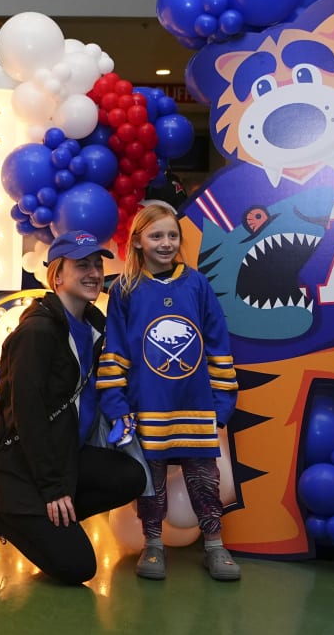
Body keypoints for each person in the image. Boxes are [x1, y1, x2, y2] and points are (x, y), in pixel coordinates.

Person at [0, 231, 150, 585]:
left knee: (131, 476)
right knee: (78, 567)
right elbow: (28, 416)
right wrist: (53, 489)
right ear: (57, 275)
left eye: (97, 265)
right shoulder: (36, 333)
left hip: (65, 454)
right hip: (20, 463)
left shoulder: (93, 324)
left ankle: (50, 523)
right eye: (82, 266)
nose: (94, 273)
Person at [98, 200, 242, 581]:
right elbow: (115, 353)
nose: (165, 243)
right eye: (156, 235)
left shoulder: (197, 284)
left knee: (205, 480)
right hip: (148, 410)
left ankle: (214, 544)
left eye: (172, 235)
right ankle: (153, 544)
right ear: (138, 241)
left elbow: (218, 346)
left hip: (195, 409)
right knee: (151, 483)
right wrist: (117, 408)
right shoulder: (125, 290)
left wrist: (222, 406)